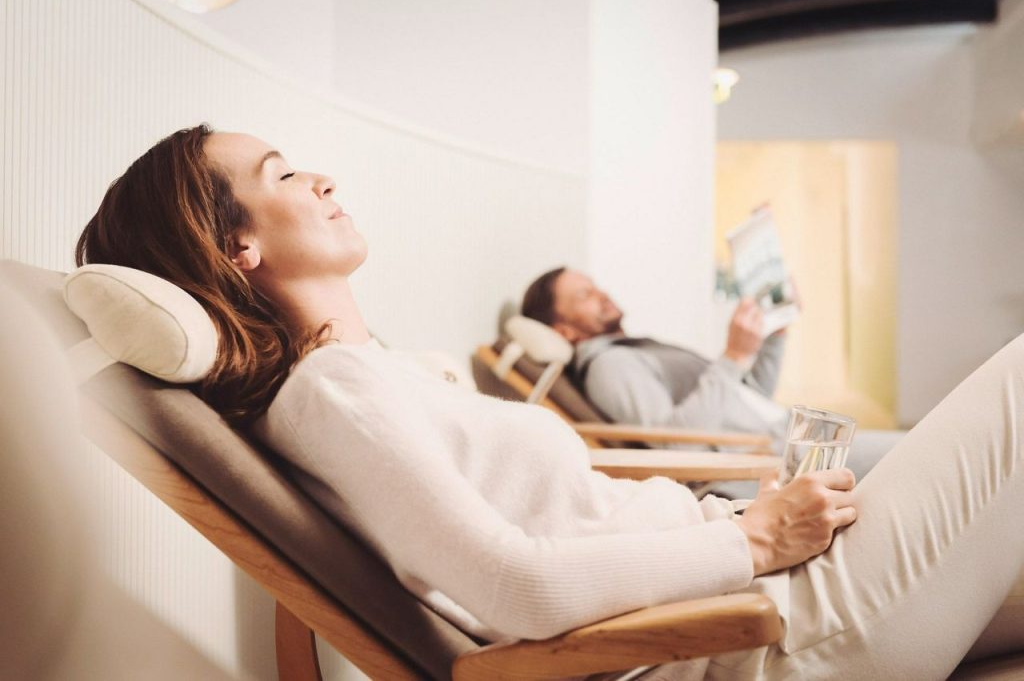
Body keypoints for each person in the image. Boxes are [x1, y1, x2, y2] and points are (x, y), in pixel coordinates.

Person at [75, 125, 1024, 680]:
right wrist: (758, 539)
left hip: (758, 592)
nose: (320, 177)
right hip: (763, 636)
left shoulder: (375, 377)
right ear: (234, 247)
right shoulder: (334, 395)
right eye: (281, 174)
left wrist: (744, 526)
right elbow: (515, 590)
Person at [520, 267, 900, 485]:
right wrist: (734, 355)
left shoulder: (632, 350)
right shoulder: (609, 367)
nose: (602, 294)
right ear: (565, 331)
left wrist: (770, 341)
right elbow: (674, 446)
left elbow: (745, 399)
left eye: (596, 285)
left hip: (789, 439)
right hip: (778, 459)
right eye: (585, 295)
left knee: (924, 451)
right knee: (925, 453)